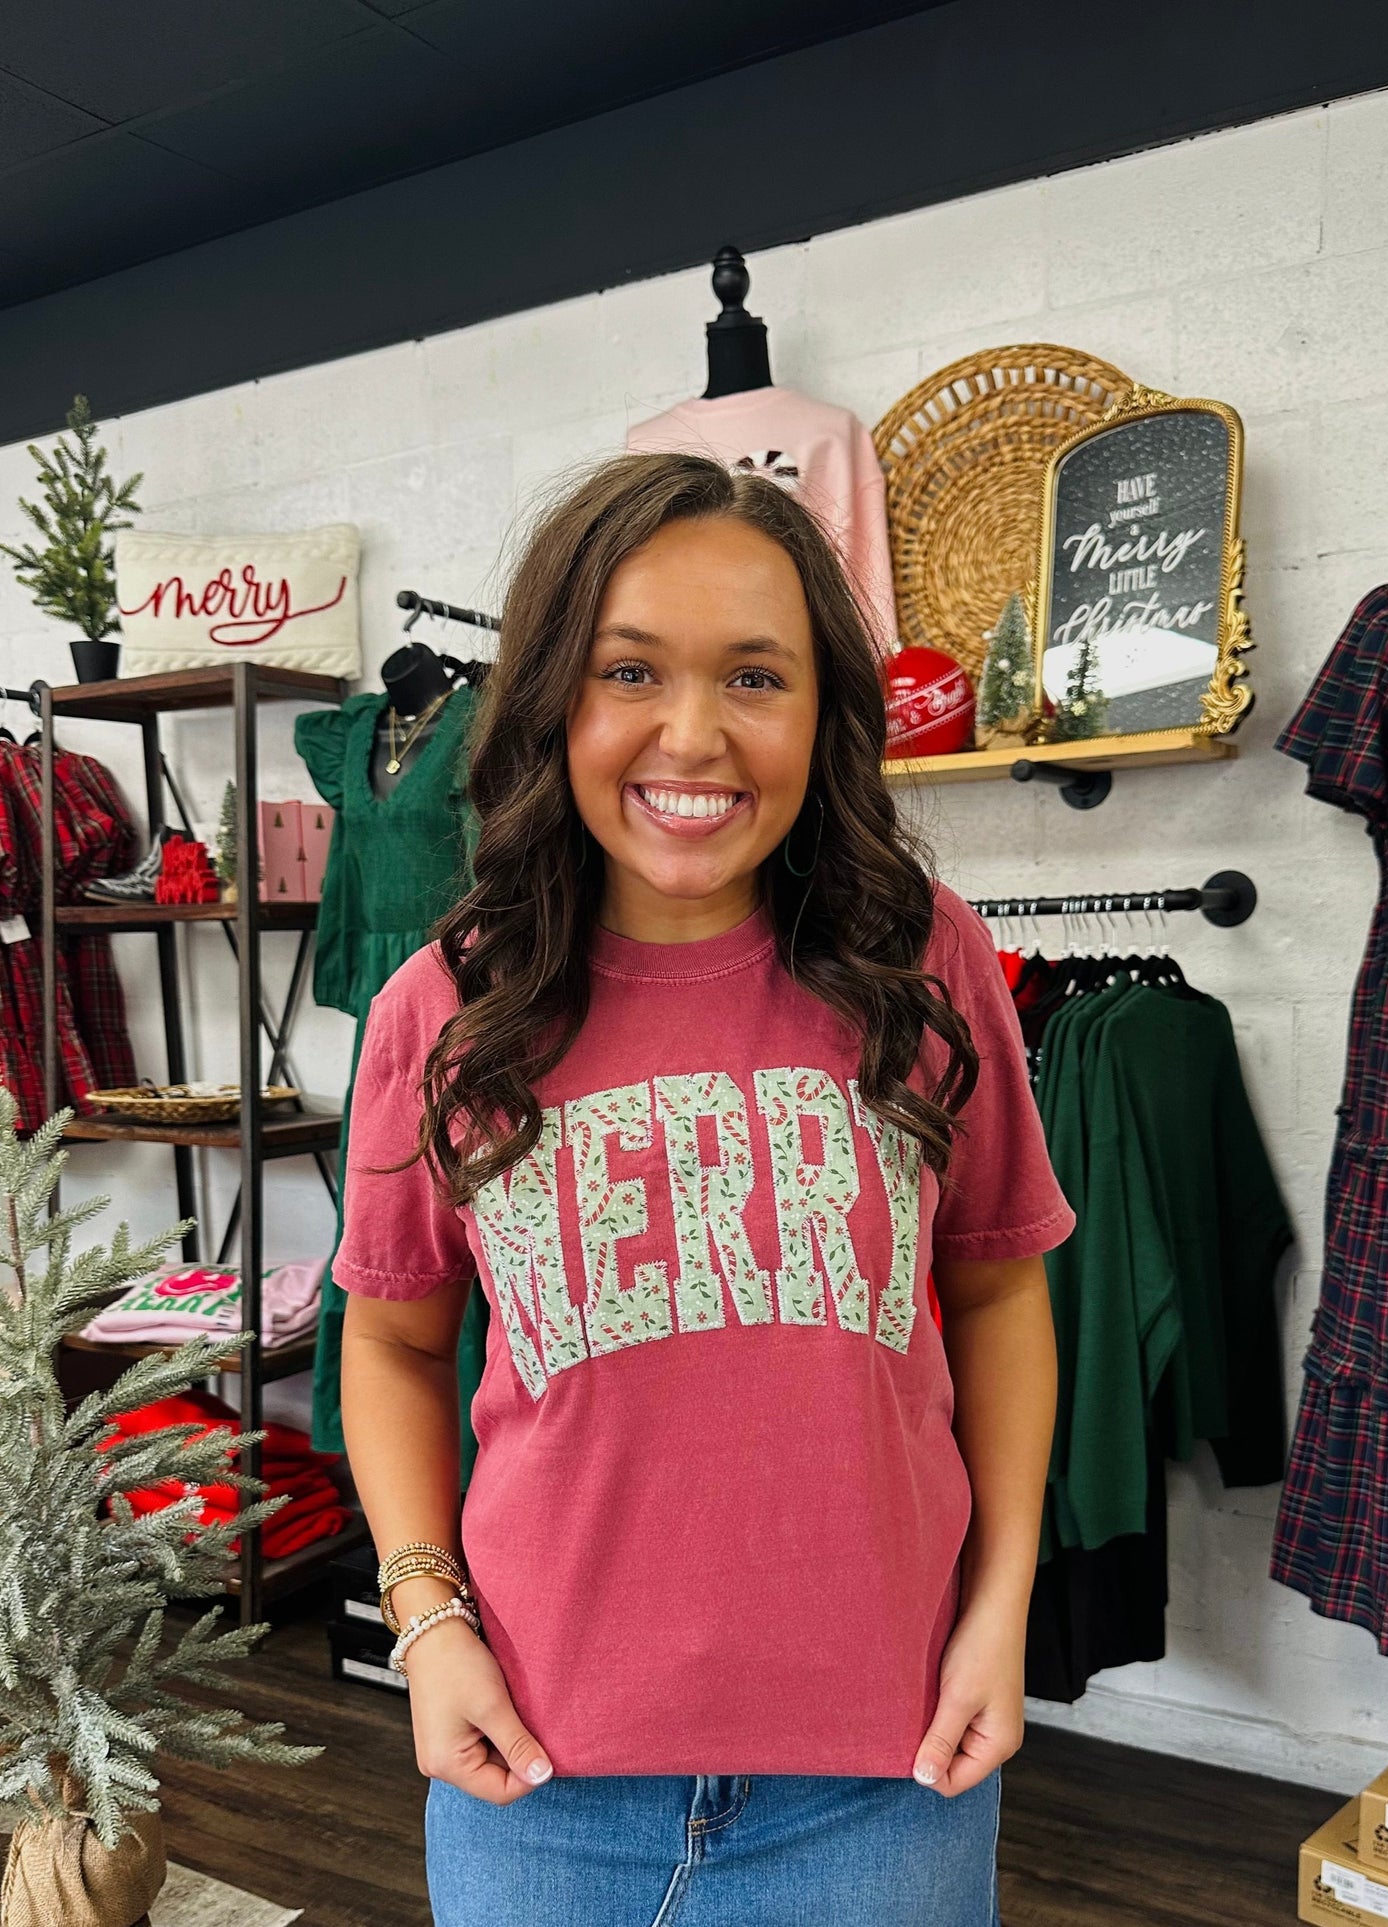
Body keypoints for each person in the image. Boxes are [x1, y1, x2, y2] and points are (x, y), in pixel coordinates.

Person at [333, 451, 1074, 1927]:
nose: (693, 735)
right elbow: (392, 1341)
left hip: (888, 1774)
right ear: (553, 700)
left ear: (821, 712)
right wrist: (426, 1625)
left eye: (754, 676)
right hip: (531, 1779)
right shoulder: (446, 1009)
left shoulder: (920, 962)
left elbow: (995, 1290)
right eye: (629, 671)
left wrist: (1001, 1617)